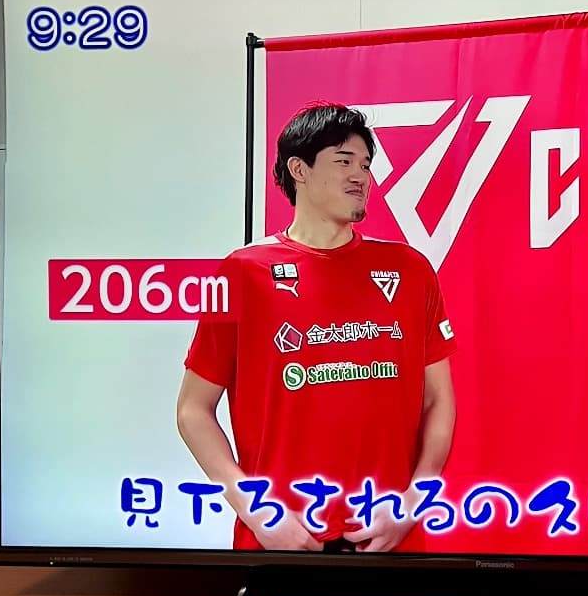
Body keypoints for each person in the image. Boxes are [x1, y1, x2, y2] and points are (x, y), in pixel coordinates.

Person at [176, 102, 457, 553]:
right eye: (343, 161)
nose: (360, 176)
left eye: (364, 164)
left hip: (389, 538)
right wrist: (257, 510)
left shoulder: (411, 269)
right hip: (280, 540)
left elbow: (439, 400)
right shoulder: (241, 273)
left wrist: (413, 501)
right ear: (299, 170)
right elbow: (193, 410)